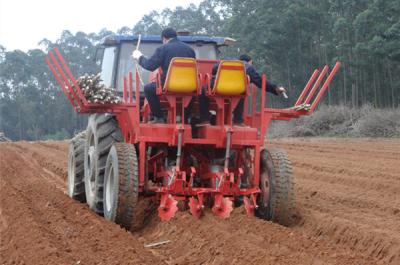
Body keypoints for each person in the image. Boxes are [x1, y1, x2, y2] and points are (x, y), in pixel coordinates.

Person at [199, 54, 287, 126]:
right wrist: (276, 88)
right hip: (236, 90)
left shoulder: (225, 61)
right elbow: (260, 82)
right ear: (249, 61)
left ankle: (205, 120)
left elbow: (213, 70)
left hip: (218, 89)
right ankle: (238, 121)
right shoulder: (249, 67)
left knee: (203, 90)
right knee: (242, 91)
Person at [132, 28, 196, 123]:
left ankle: (159, 117)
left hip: (169, 85)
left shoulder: (163, 48)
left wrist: (139, 57)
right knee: (193, 94)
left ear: (164, 39)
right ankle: (185, 119)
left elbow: (150, 66)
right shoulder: (190, 50)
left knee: (148, 89)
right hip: (189, 85)